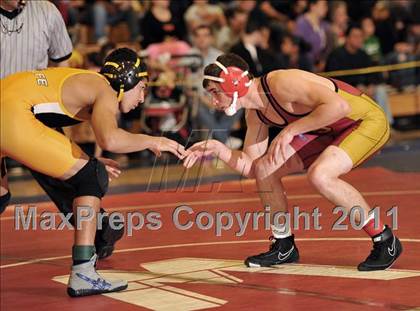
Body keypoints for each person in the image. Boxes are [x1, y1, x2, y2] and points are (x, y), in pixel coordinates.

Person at [184, 53, 402, 271]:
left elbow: (339, 107)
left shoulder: (281, 83)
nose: (213, 101)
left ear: (234, 82)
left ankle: (384, 240)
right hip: (325, 129)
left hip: (363, 121)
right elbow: (253, 169)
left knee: (320, 175)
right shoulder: (255, 115)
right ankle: (283, 245)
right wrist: (219, 149)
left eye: (214, 92)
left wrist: (291, 130)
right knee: (266, 169)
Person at [0, 48, 187, 296]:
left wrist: (88, 160)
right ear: (127, 80)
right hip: (12, 115)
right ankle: (83, 271)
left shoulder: (87, 83)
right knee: (92, 176)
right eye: (142, 87)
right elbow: (110, 139)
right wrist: (153, 140)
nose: (143, 98)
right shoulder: (105, 89)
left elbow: (46, 125)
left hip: (10, 106)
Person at [0, 0, 122, 259]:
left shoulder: (45, 11)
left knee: (66, 178)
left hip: (38, 106)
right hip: (3, 111)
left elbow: (62, 66)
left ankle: (99, 233)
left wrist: (59, 108)